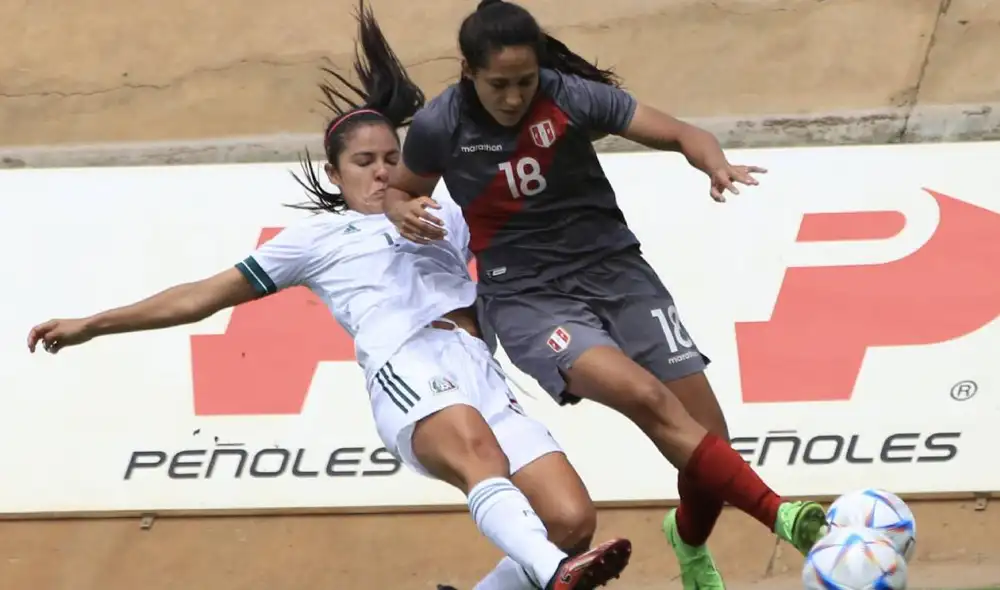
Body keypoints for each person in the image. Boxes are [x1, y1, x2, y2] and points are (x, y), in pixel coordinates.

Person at [24, 3, 631, 589]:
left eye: (392, 158)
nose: (383, 172)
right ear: (336, 176)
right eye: (364, 162)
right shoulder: (315, 238)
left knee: (569, 521)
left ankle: (542, 568)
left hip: (479, 364)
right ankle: (554, 575)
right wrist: (94, 323)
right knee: (479, 457)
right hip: (407, 362)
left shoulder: (446, 208)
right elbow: (201, 296)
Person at [383, 1, 828, 589]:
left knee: (709, 442)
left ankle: (688, 540)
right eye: (499, 85)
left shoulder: (569, 96)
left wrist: (714, 163)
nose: (514, 98)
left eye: (525, 81)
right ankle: (782, 514)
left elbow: (682, 133)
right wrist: (401, 209)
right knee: (644, 395)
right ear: (469, 72)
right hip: (529, 299)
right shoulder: (441, 125)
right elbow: (400, 190)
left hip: (617, 274)